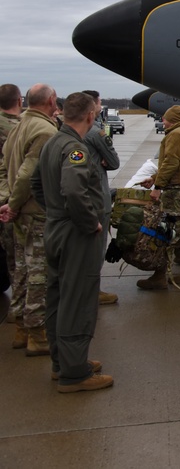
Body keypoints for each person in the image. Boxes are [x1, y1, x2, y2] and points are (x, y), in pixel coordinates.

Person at [30, 92, 113, 393]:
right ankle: (75, 372)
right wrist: (90, 222)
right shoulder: (75, 149)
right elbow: (75, 191)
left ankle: (61, 363)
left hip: (55, 228)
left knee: (58, 297)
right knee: (77, 300)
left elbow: (36, 184)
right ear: (91, 116)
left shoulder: (53, 142)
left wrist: (54, 212)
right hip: (76, 234)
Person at [0, 83, 59, 356]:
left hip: (21, 211)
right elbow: (28, 175)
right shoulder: (44, 131)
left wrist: (9, 202)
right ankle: (37, 335)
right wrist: (13, 204)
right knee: (38, 273)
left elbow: (5, 167)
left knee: (22, 269)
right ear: (51, 100)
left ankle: (22, 328)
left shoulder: (19, 125)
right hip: (35, 211)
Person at [137, 105, 180, 290]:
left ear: (173, 119)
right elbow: (173, 164)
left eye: (165, 118)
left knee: (169, 232)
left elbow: (171, 162)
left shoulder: (177, 134)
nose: (162, 121)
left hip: (176, 191)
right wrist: (154, 179)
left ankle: (162, 276)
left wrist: (158, 186)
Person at [81, 91, 120, 306]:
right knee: (96, 248)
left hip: (78, 197)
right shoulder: (96, 133)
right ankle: (92, 292)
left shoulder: (66, 132)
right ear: (92, 106)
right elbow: (113, 162)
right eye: (99, 102)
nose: (101, 104)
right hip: (97, 196)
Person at [0, 84, 21, 315]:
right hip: (13, 199)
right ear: (19, 100)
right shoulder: (20, 128)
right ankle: (21, 308)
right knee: (18, 255)